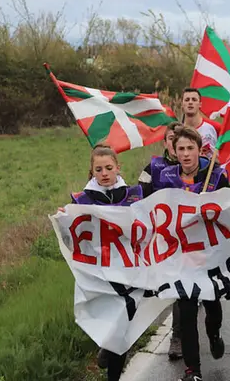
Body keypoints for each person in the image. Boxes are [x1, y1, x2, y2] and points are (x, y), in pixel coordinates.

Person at [61, 144, 143, 381]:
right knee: (109, 322)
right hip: (99, 272)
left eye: (109, 168)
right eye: (99, 169)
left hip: (129, 271)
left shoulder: (135, 194)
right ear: (92, 171)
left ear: (118, 167)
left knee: (125, 326)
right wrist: (65, 220)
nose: (105, 173)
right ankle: (107, 349)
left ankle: (113, 368)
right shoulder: (81, 199)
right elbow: (71, 239)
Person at [153, 126, 228, 381]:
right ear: (173, 151)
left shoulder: (216, 176)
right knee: (186, 312)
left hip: (210, 255)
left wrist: (212, 203)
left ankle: (214, 333)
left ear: (199, 150)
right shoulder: (165, 176)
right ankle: (192, 370)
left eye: (190, 149)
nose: (185, 154)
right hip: (181, 257)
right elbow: (146, 206)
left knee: (212, 307)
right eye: (180, 149)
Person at [136, 121, 184, 359]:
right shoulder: (152, 168)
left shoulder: (194, 168)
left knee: (179, 288)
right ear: (165, 142)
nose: (175, 143)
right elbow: (138, 198)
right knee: (144, 289)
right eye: (171, 138)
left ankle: (177, 337)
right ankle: (119, 340)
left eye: (179, 138)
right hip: (157, 238)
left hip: (185, 242)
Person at [181, 88, 222, 159]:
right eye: (187, 100)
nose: (190, 102)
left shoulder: (214, 128)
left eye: (194, 100)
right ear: (182, 104)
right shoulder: (177, 131)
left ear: (200, 104)